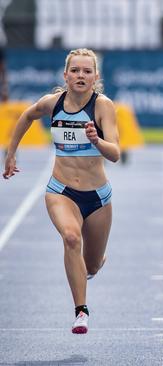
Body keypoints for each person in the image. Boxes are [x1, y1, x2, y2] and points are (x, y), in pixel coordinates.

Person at [3, 48, 120, 334]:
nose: (81, 75)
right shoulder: (52, 103)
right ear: (65, 75)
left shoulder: (103, 106)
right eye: (76, 70)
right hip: (61, 191)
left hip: (97, 197)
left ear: (96, 77)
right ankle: (81, 311)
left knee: (91, 264)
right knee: (70, 238)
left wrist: (97, 140)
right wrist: (11, 152)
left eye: (87, 71)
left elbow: (115, 153)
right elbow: (27, 116)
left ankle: (92, 265)